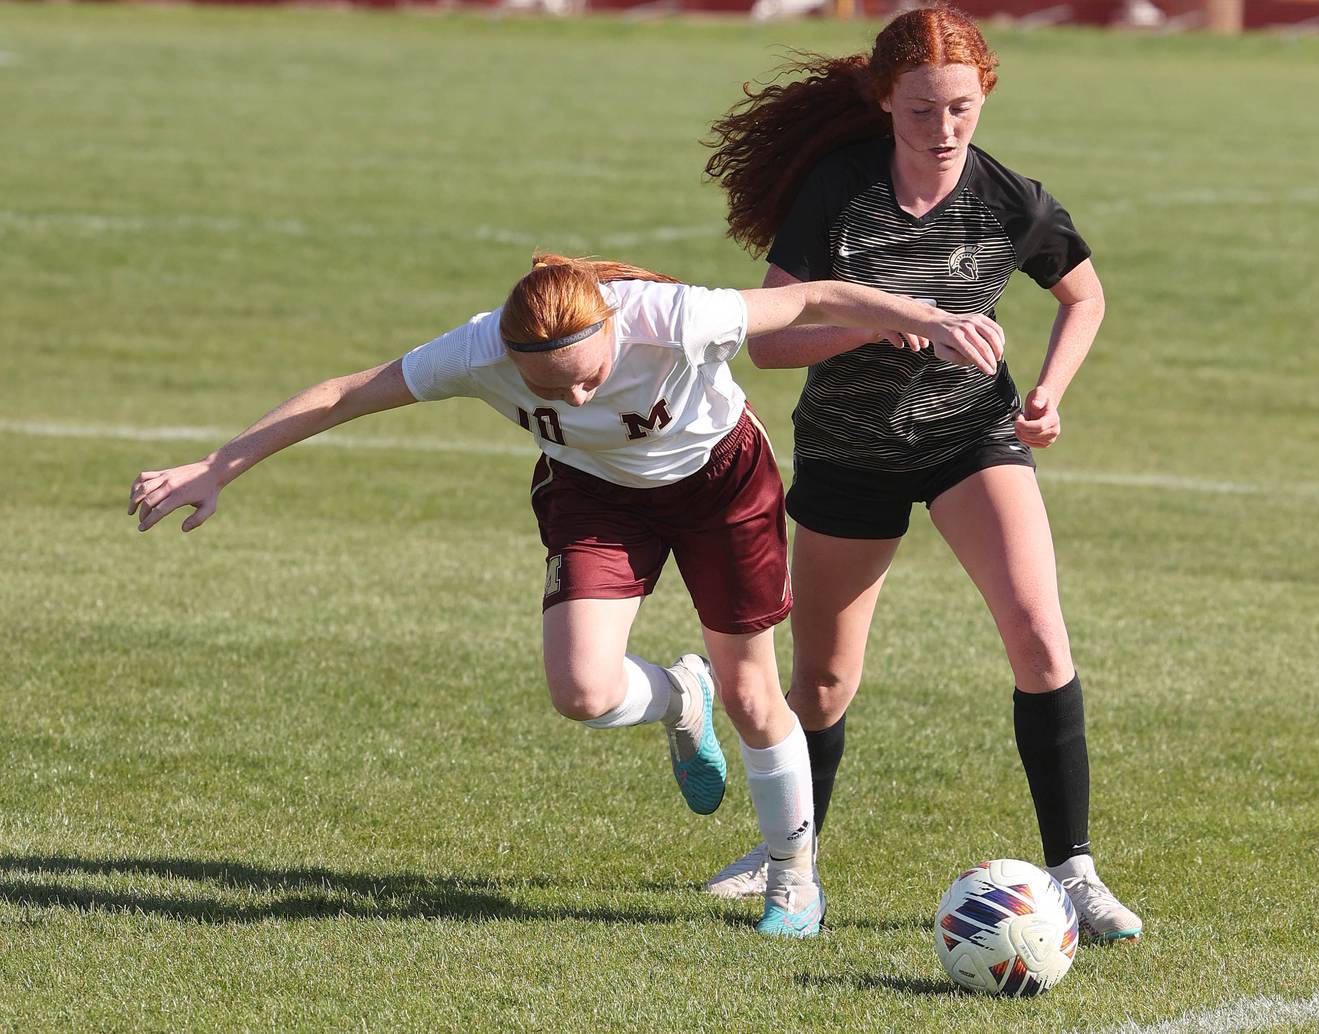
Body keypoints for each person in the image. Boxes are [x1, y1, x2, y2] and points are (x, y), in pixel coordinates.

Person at [127, 253, 1006, 938]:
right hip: (595, 496)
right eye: (555, 389)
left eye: (591, 375)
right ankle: (678, 696)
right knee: (582, 692)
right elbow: (345, 394)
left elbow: (812, 299)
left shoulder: (676, 318)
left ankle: (793, 879)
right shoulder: (477, 351)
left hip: (721, 484)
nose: (580, 395)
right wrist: (222, 464)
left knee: (753, 692)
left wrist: (928, 319)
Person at [701, 5, 1143, 941]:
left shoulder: (1008, 199)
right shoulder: (839, 191)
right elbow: (770, 343)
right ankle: (789, 855)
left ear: (984, 97)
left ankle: (1075, 873)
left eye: (960, 109)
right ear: (883, 102)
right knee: (820, 684)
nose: (942, 132)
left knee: (1038, 635)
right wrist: (880, 320)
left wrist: (1051, 393)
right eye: (920, 113)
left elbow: (1085, 292)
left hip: (969, 438)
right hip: (847, 450)